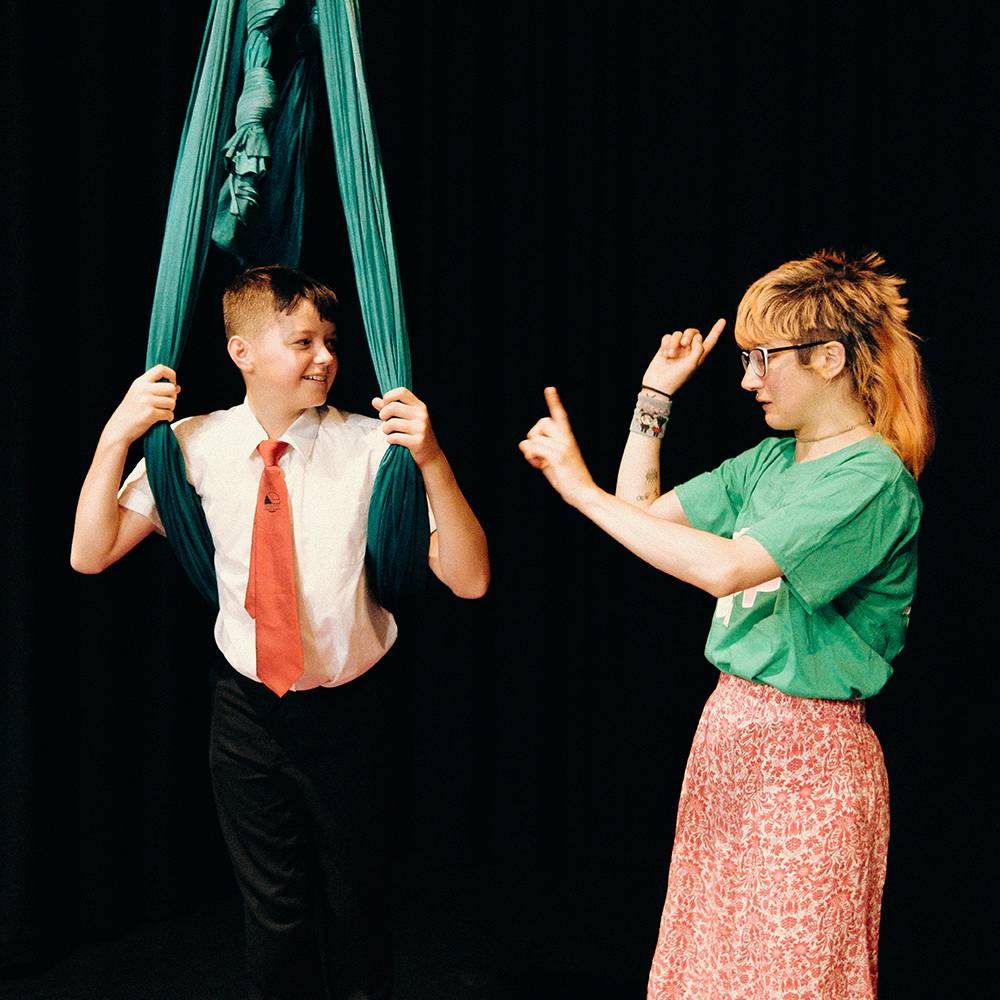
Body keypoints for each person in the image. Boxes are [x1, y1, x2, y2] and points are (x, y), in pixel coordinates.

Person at [519, 250, 932, 1000]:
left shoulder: (872, 479)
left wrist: (577, 490)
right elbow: (641, 518)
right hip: (729, 741)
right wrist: (655, 397)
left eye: (763, 360)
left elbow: (725, 567)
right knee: (709, 971)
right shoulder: (771, 461)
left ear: (829, 358)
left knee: (790, 976)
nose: (747, 380)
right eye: (744, 360)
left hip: (811, 762)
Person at [71, 265, 490, 1000]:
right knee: (273, 915)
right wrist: (118, 435)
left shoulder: (370, 447)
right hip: (247, 710)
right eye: (303, 341)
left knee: (358, 908)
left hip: (350, 710)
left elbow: (470, 578)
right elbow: (90, 551)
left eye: (330, 340)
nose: (325, 356)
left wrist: (431, 459)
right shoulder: (195, 444)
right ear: (242, 353)